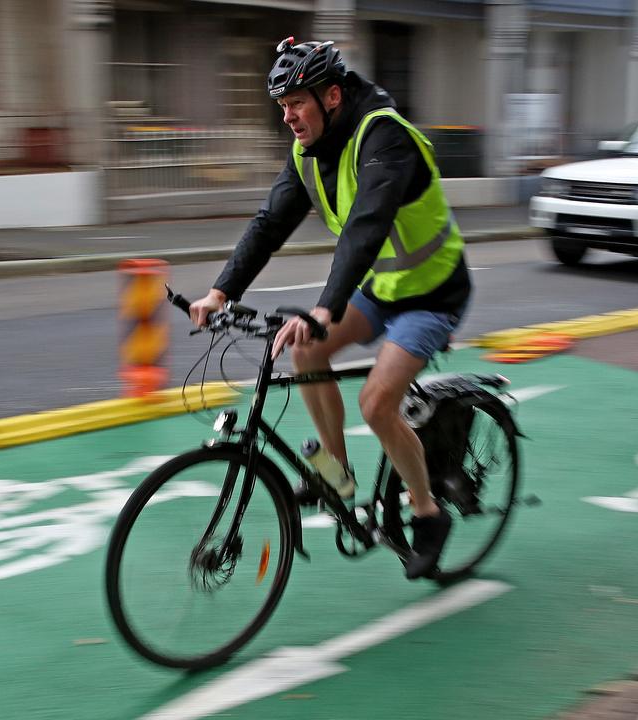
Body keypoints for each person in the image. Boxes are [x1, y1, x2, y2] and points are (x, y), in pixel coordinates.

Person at [189, 38, 472, 580]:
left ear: (333, 96)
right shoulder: (309, 151)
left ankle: (427, 513)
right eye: (282, 106)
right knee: (305, 350)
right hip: (382, 289)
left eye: (296, 102)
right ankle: (335, 476)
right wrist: (221, 292)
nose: (288, 116)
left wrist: (322, 308)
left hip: (434, 295)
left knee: (376, 403)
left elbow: (364, 229)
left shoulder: (384, 139)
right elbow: (269, 224)